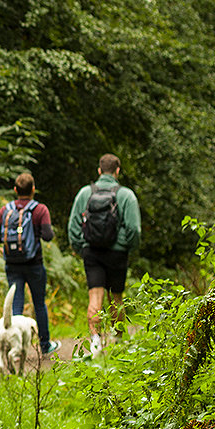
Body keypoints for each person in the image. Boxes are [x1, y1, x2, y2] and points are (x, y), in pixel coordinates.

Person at [67, 153, 141, 356]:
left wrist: (80, 246)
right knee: (116, 297)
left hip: (92, 251)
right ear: (117, 171)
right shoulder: (126, 195)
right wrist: (127, 246)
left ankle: (95, 342)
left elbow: (73, 225)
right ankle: (117, 339)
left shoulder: (84, 193)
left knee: (95, 296)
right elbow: (134, 228)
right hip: (117, 252)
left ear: (99, 171)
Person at [0, 173, 57, 355]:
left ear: (15, 190)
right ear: (33, 189)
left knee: (15, 305)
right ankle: (45, 345)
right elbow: (48, 236)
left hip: (12, 265)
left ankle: (13, 345)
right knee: (39, 303)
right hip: (34, 264)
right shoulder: (40, 210)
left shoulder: (6, 210)